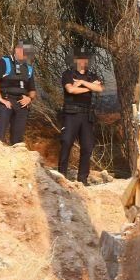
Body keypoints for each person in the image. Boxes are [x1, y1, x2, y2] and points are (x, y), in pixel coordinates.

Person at [58, 46, 103, 185]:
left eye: (86, 58)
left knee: (87, 146)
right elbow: (71, 90)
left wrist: (83, 83)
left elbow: (99, 88)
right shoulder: (68, 74)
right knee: (66, 143)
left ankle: (82, 179)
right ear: (76, 60)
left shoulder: (91, 75)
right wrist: (89, 87)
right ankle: (61, 176)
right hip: (71, 114)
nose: (83, 61)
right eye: (81, 58)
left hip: (86, 115)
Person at [0, 40, 37, 144]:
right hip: (6, 99)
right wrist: (0, 98)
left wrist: (29, 98)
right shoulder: (5, 61)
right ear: (17, 50)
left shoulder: (28, 68)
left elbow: (32, 90)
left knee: (18, 137)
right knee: (3, 120)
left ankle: (16, 149)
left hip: (21, 102)